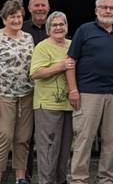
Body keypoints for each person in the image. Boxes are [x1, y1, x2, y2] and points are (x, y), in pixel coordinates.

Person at [66, 0, 113, 184]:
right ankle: (79, 179)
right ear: (96, 10)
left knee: (111, 141)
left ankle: (106, 179)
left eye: (112, 8)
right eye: (104, 7)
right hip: (87, 93)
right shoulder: (84, 31)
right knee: (84, 139)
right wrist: (73, 90)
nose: (108, 11)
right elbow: (71, 62)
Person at [0, 0, 35, 184]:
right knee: (4, 135)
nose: (16, 20)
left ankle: (20, 176)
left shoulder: (28, 38)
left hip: (27, 94)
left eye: (19, 16)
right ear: (4, 19)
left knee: (23, 136)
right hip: (3, 94)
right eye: (12, 17)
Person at [29, 11, 75, 184]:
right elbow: (35, 73)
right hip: (47, 105)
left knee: (64, 150)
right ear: (48, 29)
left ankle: (61, 181)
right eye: (54, 25)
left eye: (61, 24)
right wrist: (60, 66)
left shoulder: (72, 45)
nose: (58, 28)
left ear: (66, 27)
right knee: (48, 150)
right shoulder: (42, 46)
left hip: (69, 105)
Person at [21, 0, 50, 181]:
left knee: (48, 136)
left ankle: (48, 176)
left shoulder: (56, 28)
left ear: (48, 8)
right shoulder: (20, 30)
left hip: (49, 90)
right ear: (29, 9)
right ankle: (25, 175)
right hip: (26, 89)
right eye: (36, 5)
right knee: (25, 136)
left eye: (43, 5)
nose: (40, 8)